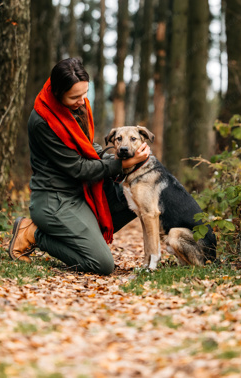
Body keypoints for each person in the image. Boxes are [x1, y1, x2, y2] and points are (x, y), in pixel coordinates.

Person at [8, 57, 150, 275]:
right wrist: (121, 164)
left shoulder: (76, 104)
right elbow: (79, 168)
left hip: (82, 192)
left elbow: (87, 145)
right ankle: (33, 234)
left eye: (85, 93)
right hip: (56, 199)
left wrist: (121, 155)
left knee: (137, 196)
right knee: (102, 265)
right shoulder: (42, 121)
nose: (83, 101)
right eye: (75, 96)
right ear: (57, 93)